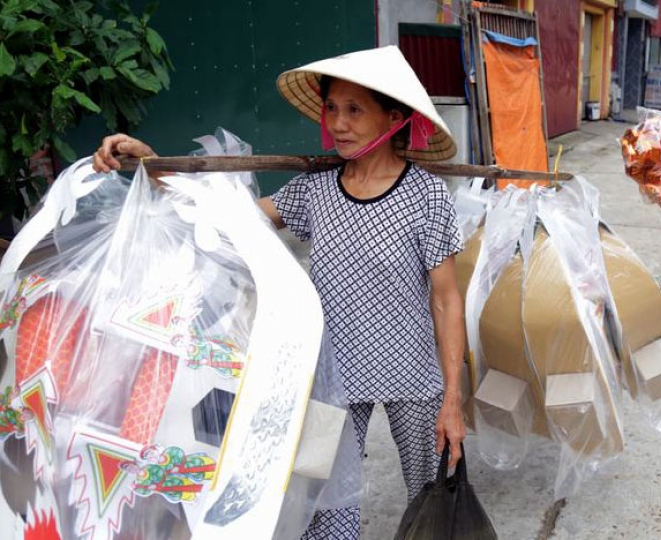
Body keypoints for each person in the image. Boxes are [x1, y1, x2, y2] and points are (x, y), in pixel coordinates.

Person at [92, 46, 467, 540]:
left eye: (355, 110)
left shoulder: (427, 196)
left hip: (413, 373)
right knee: (325, 508)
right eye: (332, 108)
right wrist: (154, 164)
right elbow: (229, 218)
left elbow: (445, 299)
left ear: (393, 118)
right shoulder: (316, 190)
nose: (338, 123)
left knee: (433, 496)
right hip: (333, 378)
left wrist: (453, 400)